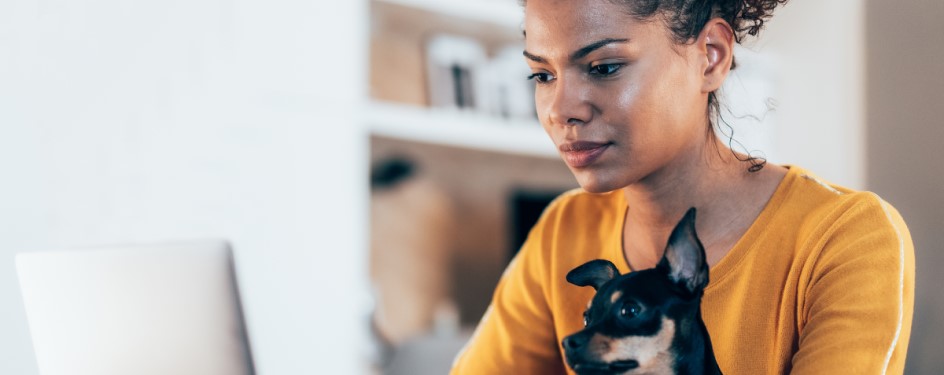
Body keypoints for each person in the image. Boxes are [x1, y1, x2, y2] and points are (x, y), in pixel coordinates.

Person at [449, 0, 915, 374]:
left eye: (604, 66)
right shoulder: (563, 229)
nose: (560, 109)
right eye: (543, 75)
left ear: (710, 55)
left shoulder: (849, 237)